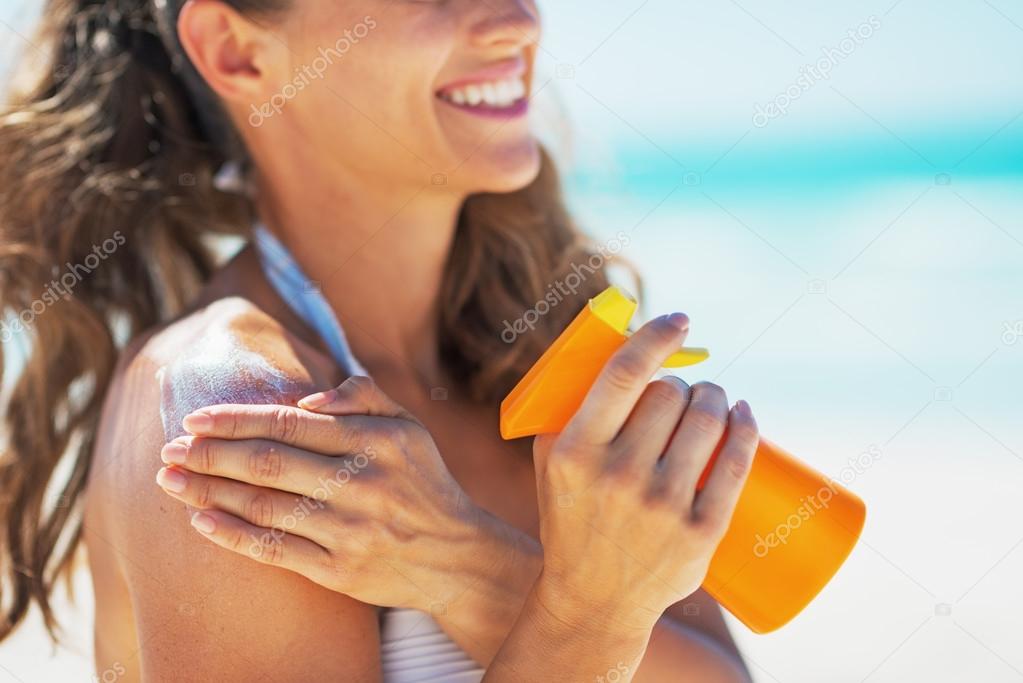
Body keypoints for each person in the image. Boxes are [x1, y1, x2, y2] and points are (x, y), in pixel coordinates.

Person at [0, 0, 760, 679]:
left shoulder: (537, 338)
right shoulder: (242, 403)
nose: (520, 20)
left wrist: (467, 565)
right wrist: (587, 615)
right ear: (239, 52)